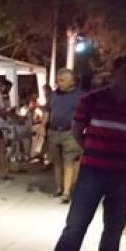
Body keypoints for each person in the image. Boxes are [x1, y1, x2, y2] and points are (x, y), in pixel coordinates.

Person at [50, 55, 126, 251]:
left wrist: (122, 147)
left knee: (115, 225)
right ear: (114, 72)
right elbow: (77, 128)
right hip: (93, 170)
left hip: (124, 173)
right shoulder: (93, 99)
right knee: (77, 222)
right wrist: (91, 148)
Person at [47, 68, 84, 203]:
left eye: (62, 80)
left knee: (69, 161)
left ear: (71, 81)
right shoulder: (54, 95)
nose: (59, 83)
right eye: (58, 80)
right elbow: (47, 111)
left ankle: (66, 192)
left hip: (70, 132)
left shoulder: (80, 96)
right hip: (53, 131)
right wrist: (42, 129)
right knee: (57, 161)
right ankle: (59, 188)